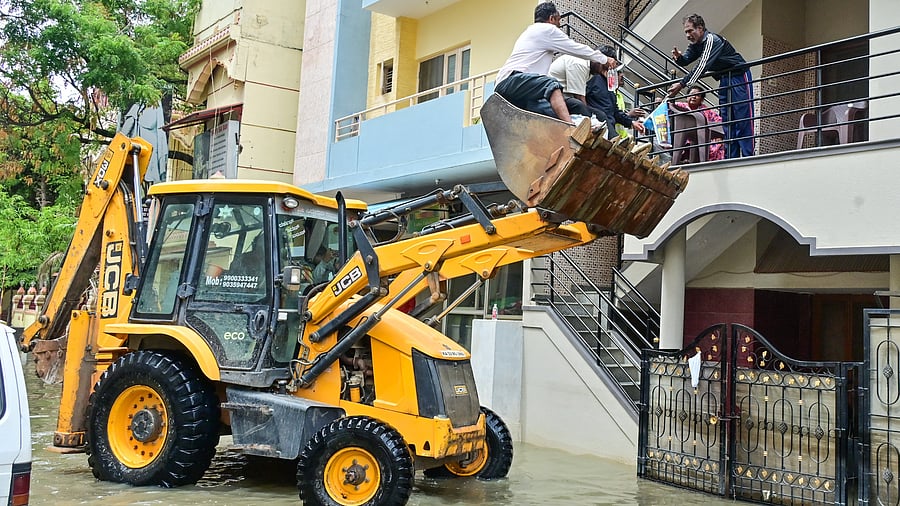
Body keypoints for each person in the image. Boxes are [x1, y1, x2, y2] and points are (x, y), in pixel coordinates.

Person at [495, 2, 617, 124]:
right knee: (552, 84)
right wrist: (605, 59)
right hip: (511, 81)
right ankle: (571, 128)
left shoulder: (531, 32)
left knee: (551, 113)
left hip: (518, 90)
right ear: (551, 18)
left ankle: (579, 133)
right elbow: (576, 48)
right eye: (558, 20)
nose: (559, 25)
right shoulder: (547, 29)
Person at [667, 13, 753, 159]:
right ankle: (730, 158)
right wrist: (679, 58)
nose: (687, 35)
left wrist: (681, 84)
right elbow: (687, 59)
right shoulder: (696, 45)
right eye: (685, 32)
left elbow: (702, 66)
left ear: (700, 28)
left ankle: (748, 156)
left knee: (742, 118)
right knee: (727, 119)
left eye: (690, 31)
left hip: (739, 76)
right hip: (724, 79)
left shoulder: (712, 40)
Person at [585, 46, 646, 139]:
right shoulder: (591, 79)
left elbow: (615, 111)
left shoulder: (608, 87)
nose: (613, 66)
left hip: (608, 131)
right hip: (596, 130)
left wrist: (632, 123)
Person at [671, 85, 725, 161]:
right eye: (691, 94)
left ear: (701, 100)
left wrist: (719, 135)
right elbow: (668, 105)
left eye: (697, 95)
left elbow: (718, 122)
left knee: (718, 143)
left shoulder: (706, 110)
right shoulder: (680, 106)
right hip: (685, 137)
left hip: (702, 137)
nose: (693, 97)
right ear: (687, 97)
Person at [547, 54, 605, 118]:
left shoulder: (590, 70)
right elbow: (579, 97)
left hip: (566, 95)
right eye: (604, 67)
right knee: (579, 105)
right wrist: (589, 117)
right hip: (555, 94)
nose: (603, 71)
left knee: (601, 115)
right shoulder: (579, 63)